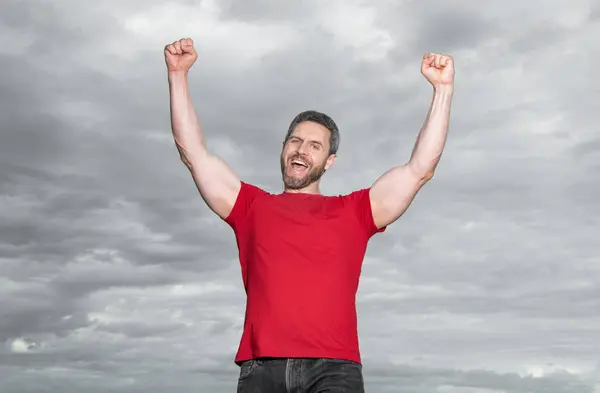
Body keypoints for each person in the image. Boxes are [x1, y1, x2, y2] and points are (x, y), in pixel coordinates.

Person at [164, 37, 454, 393]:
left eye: (315, 145)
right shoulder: (250, 207)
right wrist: (177, 75)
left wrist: (442, 89)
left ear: (329, 161)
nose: (301, 150)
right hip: (261, 369)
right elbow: (193, 153)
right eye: (295, 141)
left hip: (333, 369)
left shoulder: (356, 212)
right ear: (284, 148)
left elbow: (419, 169)